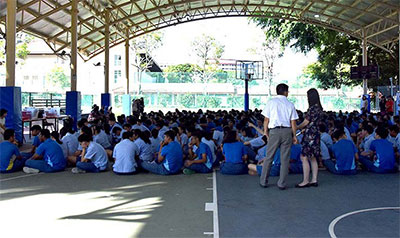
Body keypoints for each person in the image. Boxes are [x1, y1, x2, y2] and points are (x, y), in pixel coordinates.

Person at [259, 84, 299, 189]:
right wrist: (294, 136)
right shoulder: (290, 104)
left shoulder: (271, 103)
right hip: (287, 131)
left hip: (274, 131)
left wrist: (265, 132)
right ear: (285, 92)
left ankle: (264, 181)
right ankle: (281, 183)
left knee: (269, 157)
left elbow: (266, 120)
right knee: (285, 159)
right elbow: (293, 122)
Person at [295, 88, 323, 188]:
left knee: (304, 157)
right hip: (316, 134)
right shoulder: (319, 108)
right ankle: (314, 179)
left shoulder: (312, 109)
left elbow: (306, 122)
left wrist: (297, 127)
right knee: (313, 157)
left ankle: (305, 180)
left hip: (309, 135)